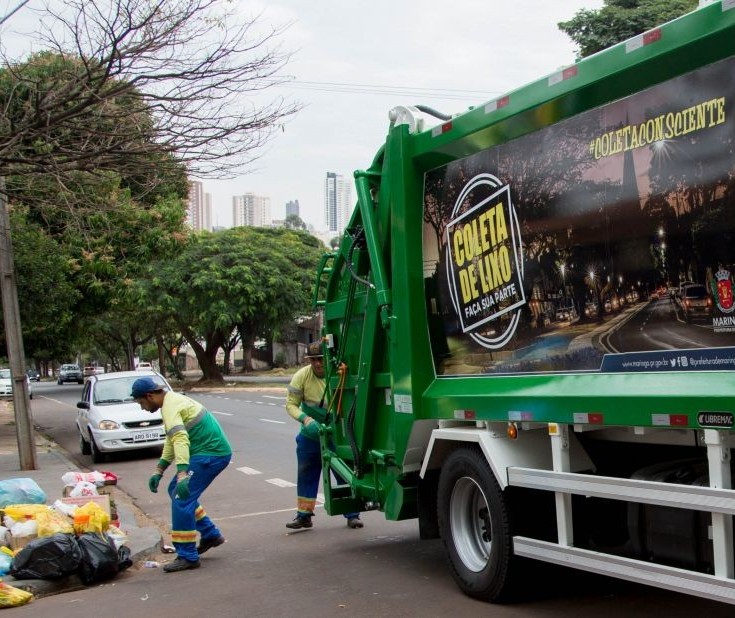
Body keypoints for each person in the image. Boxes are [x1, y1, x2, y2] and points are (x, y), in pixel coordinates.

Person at [132, 376, 232, 572]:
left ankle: (187, 555)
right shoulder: (170, 403)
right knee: (176, 490)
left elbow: (180, 439)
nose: (142, 408)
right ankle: (210, 534)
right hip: (206, 452)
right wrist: (159, 470)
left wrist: (182, 473)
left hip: (210, 454)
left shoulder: (171, 406)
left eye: (141, 402)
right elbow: (172, 440)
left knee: (181, 497)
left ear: (150, 396)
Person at [285, 341, 363, 530]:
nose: (318, 364)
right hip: (310, 435)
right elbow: (291, 404)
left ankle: (352, 514)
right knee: (306, 473)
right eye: (313, 360)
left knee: (344, 473)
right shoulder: (301, 376)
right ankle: (304, 515)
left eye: (320, 359)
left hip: (336, 435)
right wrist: (306, 420)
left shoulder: (339, 375)